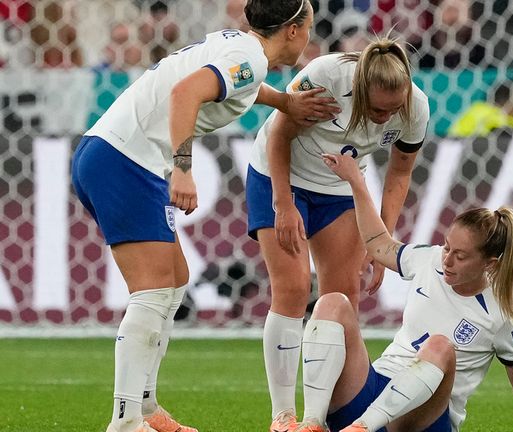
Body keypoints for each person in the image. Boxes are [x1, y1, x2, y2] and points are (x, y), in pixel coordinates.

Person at [70, 1, 340, 431]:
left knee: (174, 280)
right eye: (308, 27)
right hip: (127, 161)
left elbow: (234, 86)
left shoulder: (239, 49)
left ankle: (146, 407)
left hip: (110, 152)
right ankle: (124, 421)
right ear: (292, 30)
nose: (309, 35)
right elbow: (186, 93)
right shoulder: (248, 56)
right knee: (154, 291)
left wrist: (285, 103)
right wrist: (182, 167)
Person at [245, 37, 430, 432]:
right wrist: (283, 204)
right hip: (279, 176)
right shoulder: (325, 76)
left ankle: (320, 419)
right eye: (378, 109)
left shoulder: (416, 106)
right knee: (293, 290)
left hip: (338, 187)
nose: (386, 117)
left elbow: (399, 172)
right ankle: (283, 417)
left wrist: (381, 240)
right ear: (360, 89)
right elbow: (279, 135)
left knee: (342, 301)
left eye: (394, 109)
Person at [287, 152, 513, 432]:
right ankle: (312, 423)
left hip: (423, 419)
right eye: (447, 247)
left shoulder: (504, 316)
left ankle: (362, 427)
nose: (447, 259)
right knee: (332, 303)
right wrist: (355, 181)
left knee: (440, 346)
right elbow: (378, 245)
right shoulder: (429, 259)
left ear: (489, 263)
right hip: (376, 388)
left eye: (460, 256)